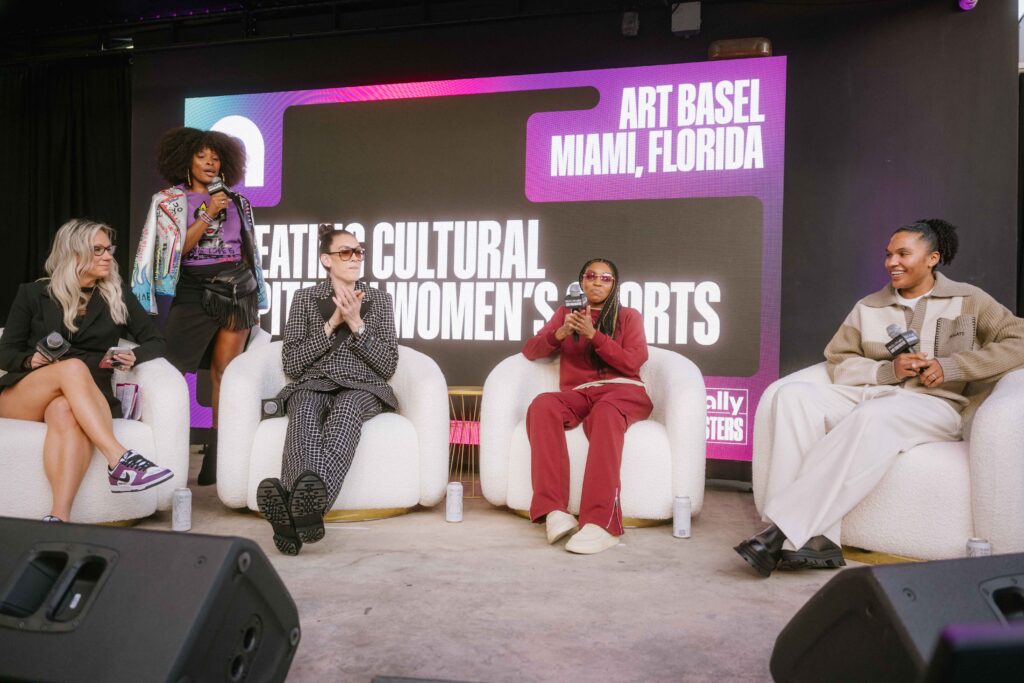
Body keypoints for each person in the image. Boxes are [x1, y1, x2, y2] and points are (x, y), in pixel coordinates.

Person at [736, 219, 1024, 577]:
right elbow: (839, 361)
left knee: (874, 416)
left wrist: (954, 366)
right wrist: (890, 371)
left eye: (904, 253)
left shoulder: (968, 299)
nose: (892, 262)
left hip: (935, 405)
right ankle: (814, 540)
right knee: (793, 397)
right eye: (888, 255)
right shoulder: (868, 306)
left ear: (933, 258)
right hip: (875, 392)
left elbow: (1019, 340)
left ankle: (779, 532)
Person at [0, 219, 173, 522]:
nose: (108, 256)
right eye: (98, 250)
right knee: (73, 367)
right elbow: (5, 353)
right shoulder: (32, 294)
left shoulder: (116, 294)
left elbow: (156, 341)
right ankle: (119, 459)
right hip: (27, 393)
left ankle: (58, 519)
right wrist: (31, 361)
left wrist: (134, 356)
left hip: (87, 396)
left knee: (65, 410)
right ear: (74, 253)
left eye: (109, 249)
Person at [131, 127, 268, 486]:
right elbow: (177, 251)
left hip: (236, 291)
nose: (210, 163)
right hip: (192, 290)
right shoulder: (168, 201)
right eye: (202, 156)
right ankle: (163, 447)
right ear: (186, 160)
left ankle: (217, 456)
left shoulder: (238, 201)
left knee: (226, 373)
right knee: (171, 369)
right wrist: (207, 213)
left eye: (216, 157)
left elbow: (247, 249)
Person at [256, 224, 399, 555]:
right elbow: (292, 364)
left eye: (358, 251)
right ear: (326, 259)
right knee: (303, 410)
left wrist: (356, 324)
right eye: (345, 252)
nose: (355, 258)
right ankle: (303, 518)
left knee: (346, 412)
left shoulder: (379, 299)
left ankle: (294, 513)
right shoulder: (305, 298)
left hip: (362, 386)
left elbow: (387, 365)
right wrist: (333, 322)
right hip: (314, 382)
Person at [523, 258, 652, 555]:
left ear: (614, 285)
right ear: (580, 281)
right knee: (542, 405)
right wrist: (561, 333)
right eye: (591, 275)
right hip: (581, 393)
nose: (597, 281)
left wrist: (594, 335)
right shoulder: (565, 314)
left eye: (605, 278)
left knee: (605, 415)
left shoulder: (628, 316)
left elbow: (633, 361)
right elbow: (531, 350)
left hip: (623, 391)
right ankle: (554, 510)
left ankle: (601, 522)